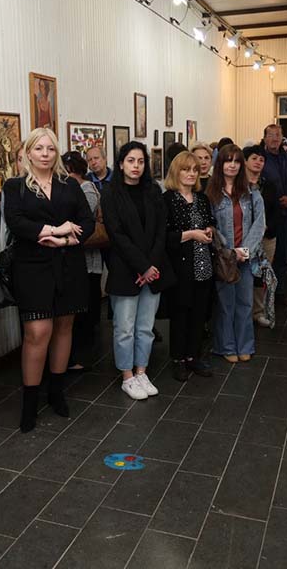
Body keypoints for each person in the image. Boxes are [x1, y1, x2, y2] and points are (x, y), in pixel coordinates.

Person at [3, 128, 95, 430]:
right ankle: (30, 402)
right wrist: (56, 230)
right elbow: (16, 222)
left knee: (64, 327)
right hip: (32, 268)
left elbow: (87, 222)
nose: (45, 154)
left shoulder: (69, 185)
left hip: (69, 264)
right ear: (28, 153)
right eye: (39, 148)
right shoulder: (15, 186)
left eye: (51, 149)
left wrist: (64, 241)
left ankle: (57, 392)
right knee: (37, 332)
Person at [102, 141, 173, 399]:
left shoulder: (153, 190)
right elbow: (116, 234)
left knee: (145, 327)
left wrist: (150, 266)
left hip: (153, 270)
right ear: (121, 164)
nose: (136, 166)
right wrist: (142, 266)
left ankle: (141, 371)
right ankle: (127, 377)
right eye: (131, 161)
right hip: (126, 269)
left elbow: (161, 230)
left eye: (141, 161)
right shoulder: (110, 192)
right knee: (124, 328)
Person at [207, 144, 265, 362]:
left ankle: (245, 345)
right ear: (220, 164)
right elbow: (211, 227)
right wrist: (230, 251)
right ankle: (226, 346)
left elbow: (259, 224)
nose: (232, 165)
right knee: (225, 304)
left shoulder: (252, 193)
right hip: (224, 258)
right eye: (227, 161)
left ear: (242, 165)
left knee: (245, 303)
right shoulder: (211, 194)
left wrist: (244, 250)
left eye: (236, 161)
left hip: (247, 257)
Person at [162, 151, 214, 381]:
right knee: (180, 313)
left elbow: (209, 222)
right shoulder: (167, 200)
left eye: (194, 169)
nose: (191, 174)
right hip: (180, 267)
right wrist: (191, 234)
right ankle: (178, 360)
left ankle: (193, 356)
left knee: (199, 314)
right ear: (176, 171)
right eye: (186, 169)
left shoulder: (202, 198)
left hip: (203, 264)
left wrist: (209, 230)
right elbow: (164, 237)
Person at [62, 151, 103, 371]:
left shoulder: (86, 189)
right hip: (74, 255)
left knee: (87, 307)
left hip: (88, 257)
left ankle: (86, 348)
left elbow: (80, 222)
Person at [262, 125, 287, 304]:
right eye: (271, 135)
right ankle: (262, 295)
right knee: (264, 255)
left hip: (286, 212)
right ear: (265, 138)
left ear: (282, 138)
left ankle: (279, 291)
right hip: (266, 214)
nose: (274, 138)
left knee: (282, 254)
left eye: (278, 135)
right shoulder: (259, 158)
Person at [244, 145, 278, 327]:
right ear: (245, 161)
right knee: (243, 274)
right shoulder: (237, 184)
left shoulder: (269, 184)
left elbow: (275, 210)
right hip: (244, 238)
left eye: (261, 159)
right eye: (254, 158)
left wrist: (266, 227)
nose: (258, 162)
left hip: (266, 237)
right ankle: (243, 311)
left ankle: (258, 312)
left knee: (261, 275)